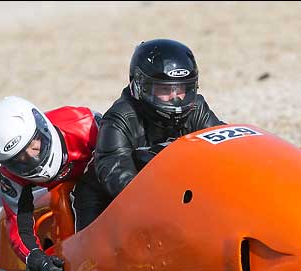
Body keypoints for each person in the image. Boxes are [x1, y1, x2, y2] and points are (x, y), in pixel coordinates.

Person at [0, 96, 110, 271]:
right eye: (19, 158)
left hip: (101, 178)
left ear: (42, 129)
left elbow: (120, 153)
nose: (31, 158)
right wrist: (39, 262)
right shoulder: (10, 175)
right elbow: (17, 224)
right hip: (59, 195)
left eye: (33, 145)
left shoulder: (85, 124)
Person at [94, 38, 225, 198]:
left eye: (181, 88)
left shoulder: (196, 108)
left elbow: (225, 150)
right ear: (140, 87)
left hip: (173, 196)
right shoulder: (120, 119)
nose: (175, 97)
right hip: (104, 203)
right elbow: (119, 179)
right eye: (165, 89)